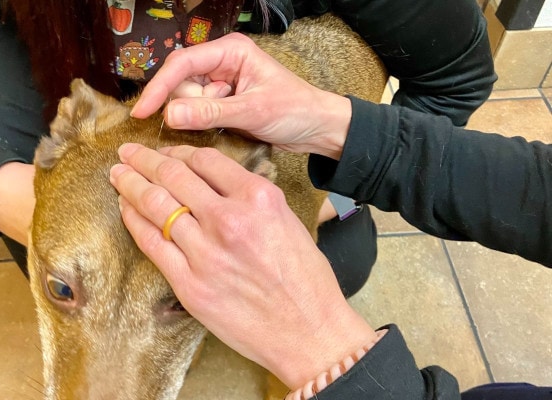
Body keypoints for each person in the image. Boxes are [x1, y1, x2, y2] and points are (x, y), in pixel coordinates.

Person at [109, 33, 552, 399]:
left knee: (350, 260)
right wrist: (333, 126)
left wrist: (324, 352)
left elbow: (460, 81)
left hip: (330, 193)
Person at [0, 0, 496, 290]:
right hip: (84, 106)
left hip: (262, 145)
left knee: (339, 264)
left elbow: (457, 80)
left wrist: (336, 197)